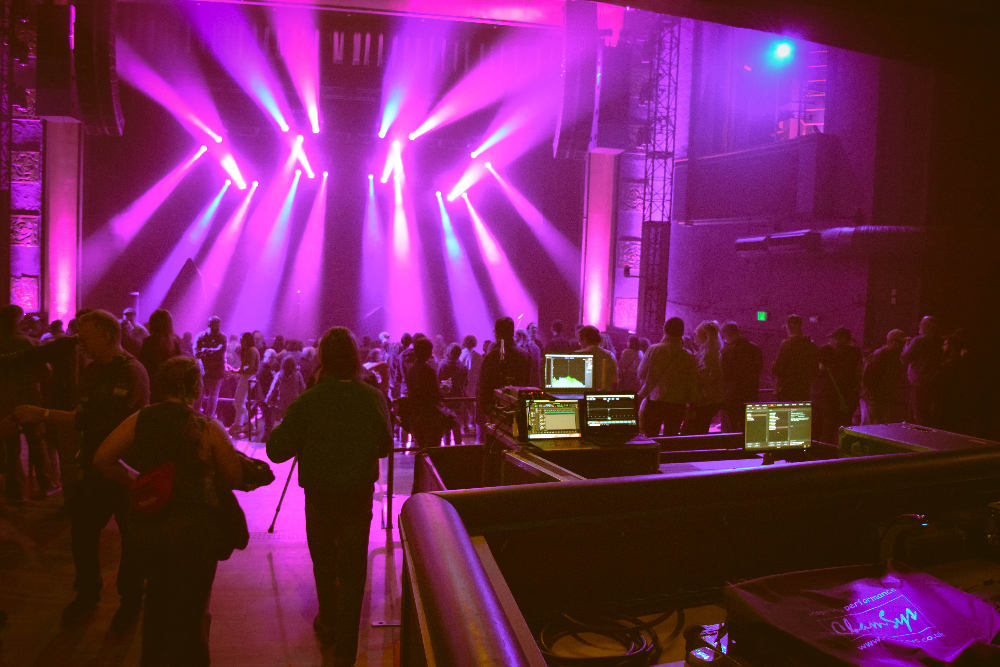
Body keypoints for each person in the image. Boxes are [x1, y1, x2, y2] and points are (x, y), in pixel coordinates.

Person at [92, 356, 247, 666]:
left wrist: (135, 479)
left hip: (150, 525)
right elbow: (234, 478)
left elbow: (102, 459)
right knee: (192, 611)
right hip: (194, 529)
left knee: (158, 604)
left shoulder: (141, 419)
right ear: (196, 386)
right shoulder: (205, 426)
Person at [13, 309, 149, 629]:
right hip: (93, 468)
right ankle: (88, 594)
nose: (80, 343)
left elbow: (99, 420)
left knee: (132, 540)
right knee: (82, 535)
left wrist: (44, 415)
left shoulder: (132, 372)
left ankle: (130, 601)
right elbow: (83, 413)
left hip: (124, 471)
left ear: (105, 335)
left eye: (84, 337)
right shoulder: (92, 371)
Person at [266, 327, 392, 667]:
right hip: (357, 497)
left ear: (321, 360)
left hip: (319, 499)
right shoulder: (373, 397)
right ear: (355, 358)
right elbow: (383, 447)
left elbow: (276, 451)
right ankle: (347, 647)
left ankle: (330, 625)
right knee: (353, 572)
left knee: (324, 564)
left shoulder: (310, 400)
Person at [0, 305, 53, 503]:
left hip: (4, 400)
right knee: (37, 442)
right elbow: (46, 371)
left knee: (10, 445)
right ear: (21, 321)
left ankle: (15, 491)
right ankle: (46, 485)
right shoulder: (31, 343)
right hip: (30, 397)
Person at [636, 317, 698, 437]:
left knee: (651, 436)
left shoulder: (654, 349)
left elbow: (640, 373)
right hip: (677, 403)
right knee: (672, 437)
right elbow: (692, 381)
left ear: (665, 330)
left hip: (655, 401)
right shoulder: (688, 355)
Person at [812, 327, 864, 444]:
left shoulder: (834, 354)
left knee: (828, 430)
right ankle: (843, 453)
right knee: (844, 428)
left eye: (834, 339)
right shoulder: (856, 354)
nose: (832, 342)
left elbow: (825, 372)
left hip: (832, 399)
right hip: (849, 399)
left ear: (842, 339)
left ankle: (826, 456)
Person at [477, 317, 531, 425]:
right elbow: (527, 382)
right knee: (515, 439)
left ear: (496, 333)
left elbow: (484, 385)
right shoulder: (524, 354)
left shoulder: (493, 355)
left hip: (496, 412)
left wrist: (484, 410)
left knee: (498, 440)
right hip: (519, 410)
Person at [404, 338, 450, 448]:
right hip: (430, 416)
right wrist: (444, 390)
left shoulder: (410, 371)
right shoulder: (429, 371)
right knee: (433, 449)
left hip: (416, 414)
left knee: (421, 448)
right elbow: (435, 396)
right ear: (428, 352)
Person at [681, 321, 724, 435]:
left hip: (703, 400)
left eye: (696, 333)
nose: (694, 336)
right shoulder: (709, 351)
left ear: (705, 335)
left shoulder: (709, 354)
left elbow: (710, 376)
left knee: (692, 432)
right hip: (705, 399)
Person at [901, 315, 944, 426]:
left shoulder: (918, 341)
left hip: (918, 381)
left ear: (927, 326)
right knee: (930, 413)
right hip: (936, 381)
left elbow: (905, 359)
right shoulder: (941, 340)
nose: (919, 326)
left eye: (921, 323)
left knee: (919, 413)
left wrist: (905, 347)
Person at [720, 322, 763, 433]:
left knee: (733, 429)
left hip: (733, 397)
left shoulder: (728, 351)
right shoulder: (754, 348)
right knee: (749, 429)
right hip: (751, 394)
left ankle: (735, 449)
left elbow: (725, 373)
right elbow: (759, 369)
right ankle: (748, 450)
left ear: (726, 335)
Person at [860, 329, 908, 425]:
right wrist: (871, 397)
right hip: (873, 398)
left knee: (877, 426)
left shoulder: (894, 356)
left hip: (882, 398)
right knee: (869, 427)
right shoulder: (880, 355)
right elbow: (866, 378)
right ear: (893, 341)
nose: (903, 346)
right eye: (901, 343)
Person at [772, 315, 818, 401]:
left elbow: (777, 368)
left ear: (788, 326)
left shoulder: (786, 344)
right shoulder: (811, 345)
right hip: (805, 389)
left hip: (787, 389)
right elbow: (815, 369)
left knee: (786, 413)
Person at [139, 309, 182, 402]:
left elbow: (144, 365)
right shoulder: (175, 341)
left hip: (153, 385)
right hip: (170, 385)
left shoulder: (149, 342)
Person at [195, 316, 227, 419]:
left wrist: (206, 351)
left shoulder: (222, 337)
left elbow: (220, 351)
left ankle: (209, 418)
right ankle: (198, 416)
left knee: (212, 397)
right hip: (203, 371)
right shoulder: (201, 337)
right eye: (214, 324)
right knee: (199, 396)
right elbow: (196, 352)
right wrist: (207, 352)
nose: (216, 326)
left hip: (215, 371)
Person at [230, 332, 261, 437]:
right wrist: (237, 371)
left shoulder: (251, 351)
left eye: (242, 339)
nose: (241, 341)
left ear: (247, 340)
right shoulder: (252, 350)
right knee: (239, 402)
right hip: (247, 378)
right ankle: (245, 424)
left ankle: (241, 425)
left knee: (238, 402)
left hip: (247, 379)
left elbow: (249, 367)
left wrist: (239, 371)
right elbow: (247, 367)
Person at [266, 355, 306, 421]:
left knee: (283, 420)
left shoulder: (279, 375)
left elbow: (272, 389)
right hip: (294, 401)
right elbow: (303, 387)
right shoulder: (298, 374)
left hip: (282, 402)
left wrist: (267, 400)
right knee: (293, 420)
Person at [578, 325, 617, 391]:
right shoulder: (610, 356)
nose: (579, 344)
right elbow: (614, 381)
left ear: (584, 340)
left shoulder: (577, 355)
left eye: (579, 341)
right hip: (603, 398)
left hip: (582, 396)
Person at [256, 349, 280, 440]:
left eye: (274, 358)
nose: (272, 360)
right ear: (265, 357)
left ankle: (266, 437)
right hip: (265, 399)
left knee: (269, 419)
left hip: (267, 398)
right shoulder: (263, 370)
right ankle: (265, 439)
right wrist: (267, 400)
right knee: (268, 419)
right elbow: (263, 387)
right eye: (270, 358)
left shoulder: (268, 368)